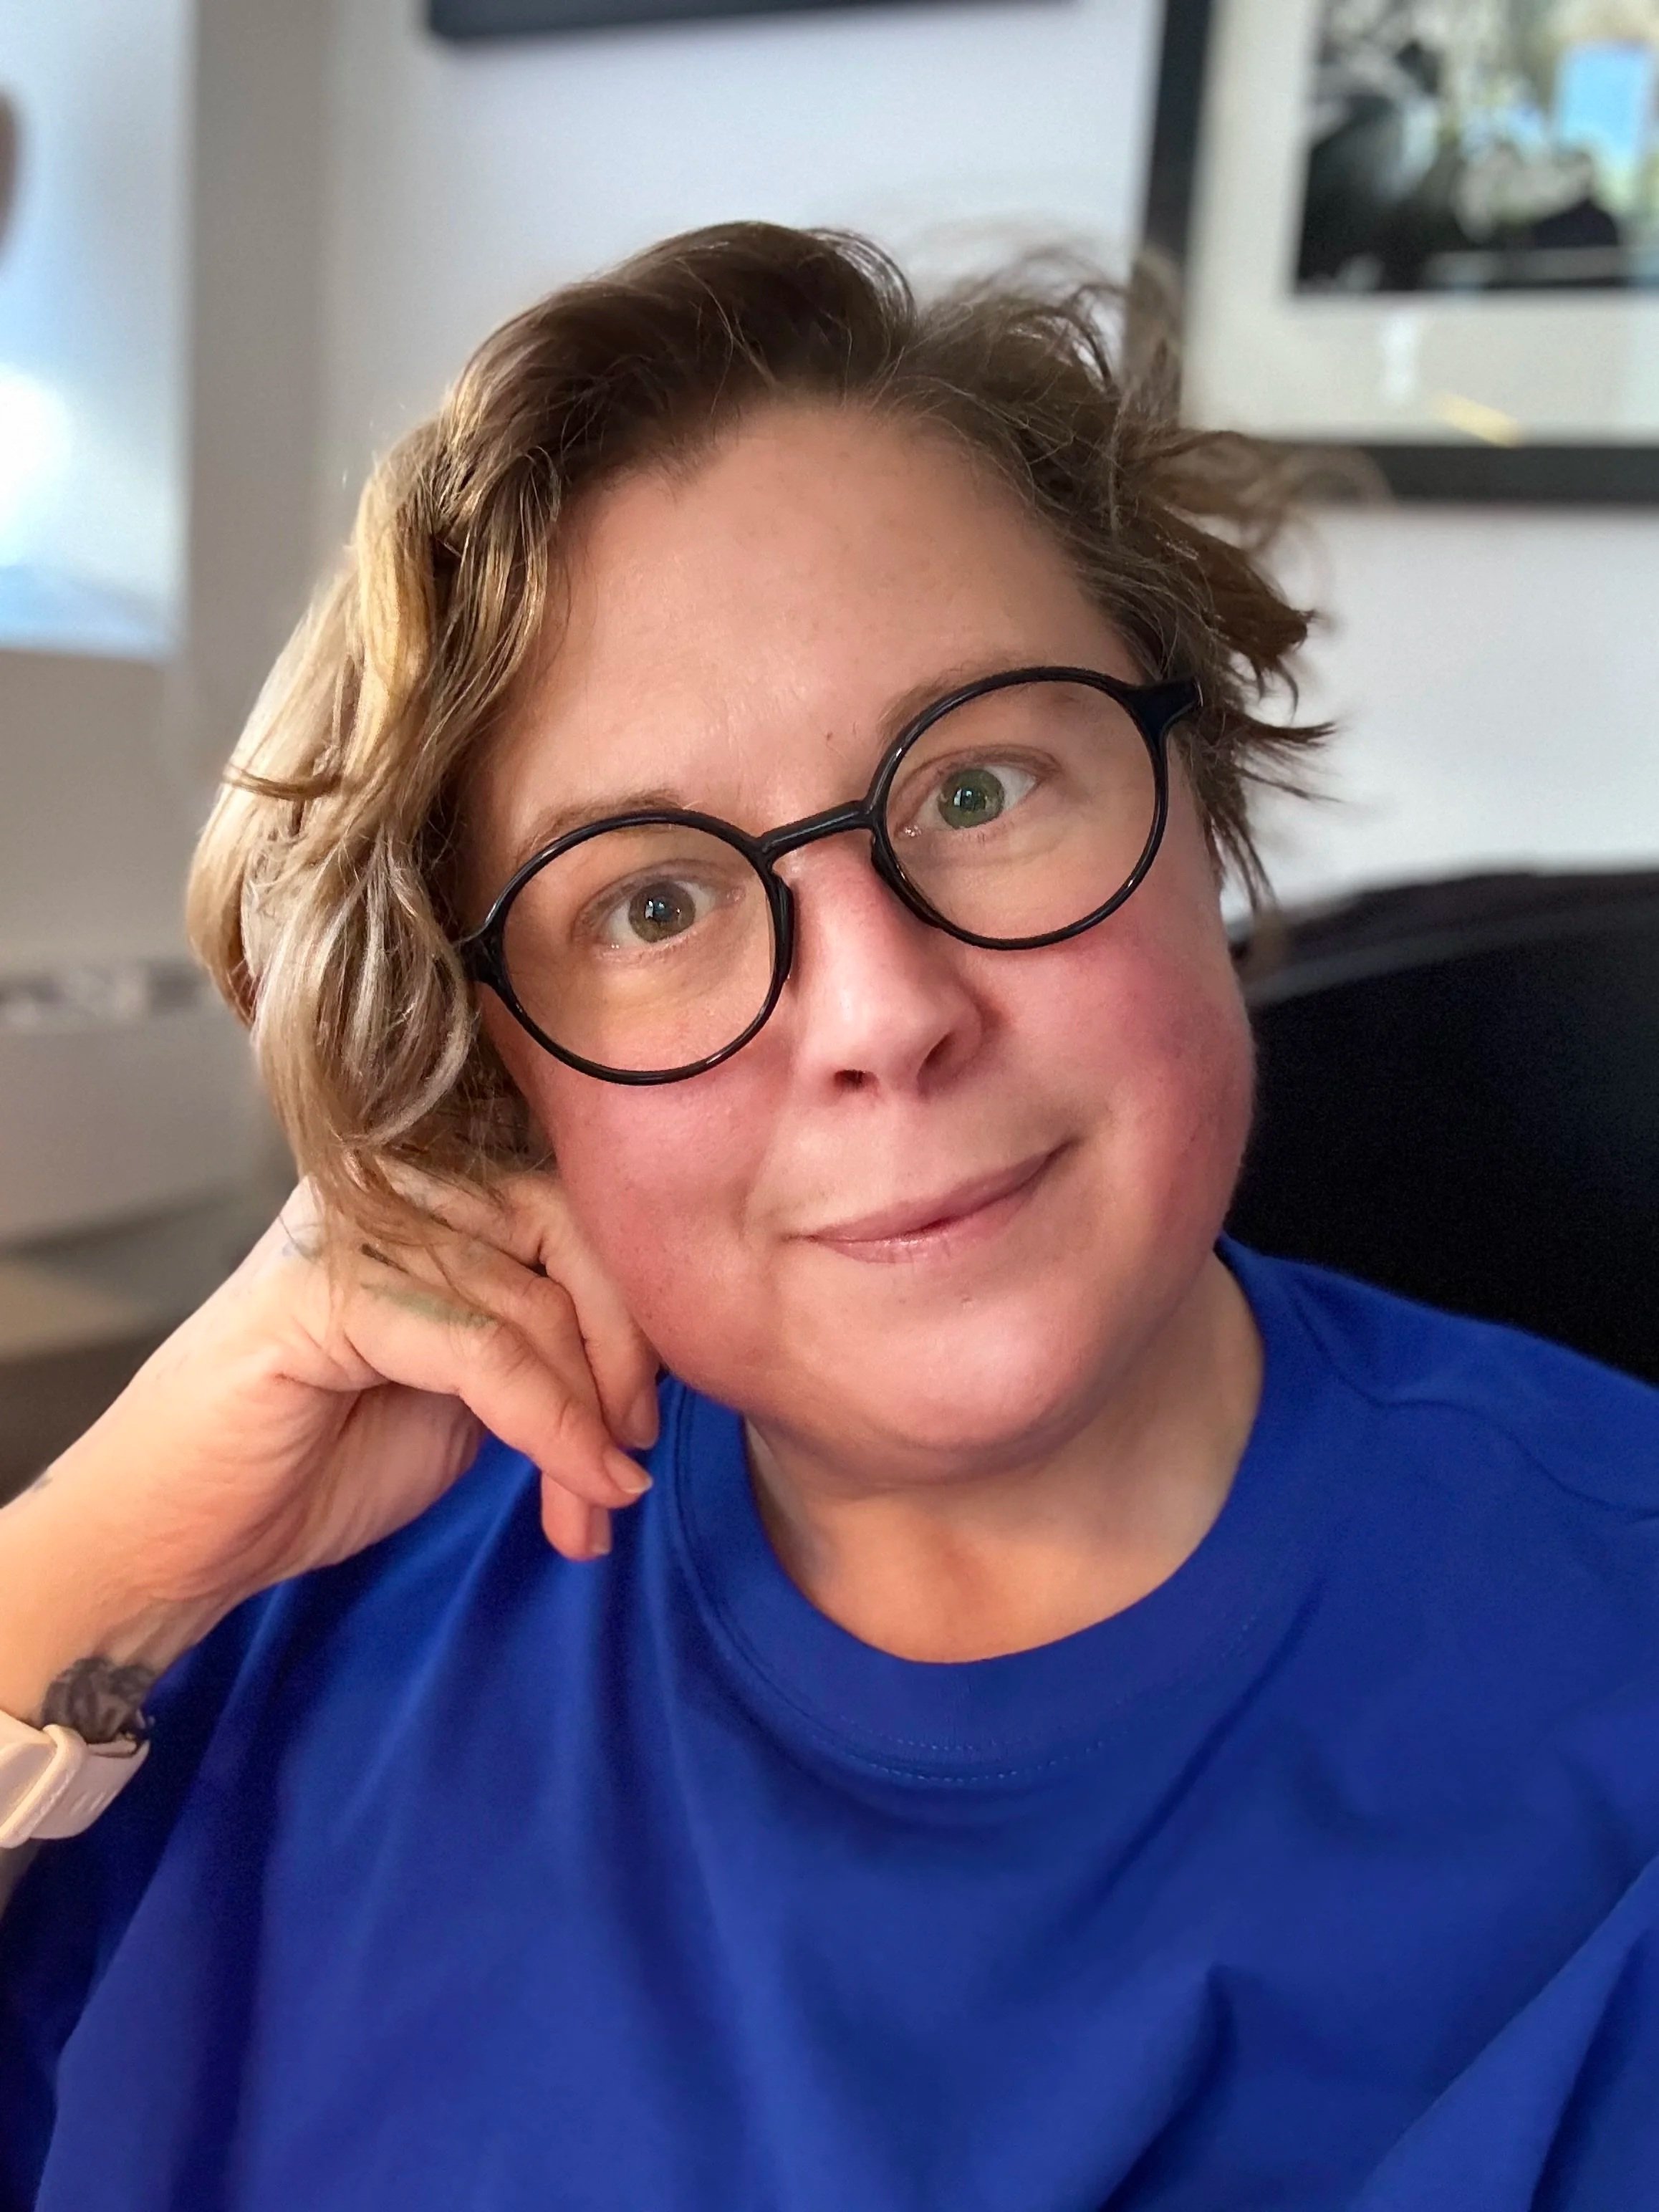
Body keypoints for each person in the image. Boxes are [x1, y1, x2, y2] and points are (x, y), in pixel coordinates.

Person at [1, 223, 1657, 2211]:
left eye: (974, 790)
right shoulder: (233, 1621)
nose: (883, 1012)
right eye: (652, 902)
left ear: (1193, 780)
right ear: (496, 1063)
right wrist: (93, 1561)